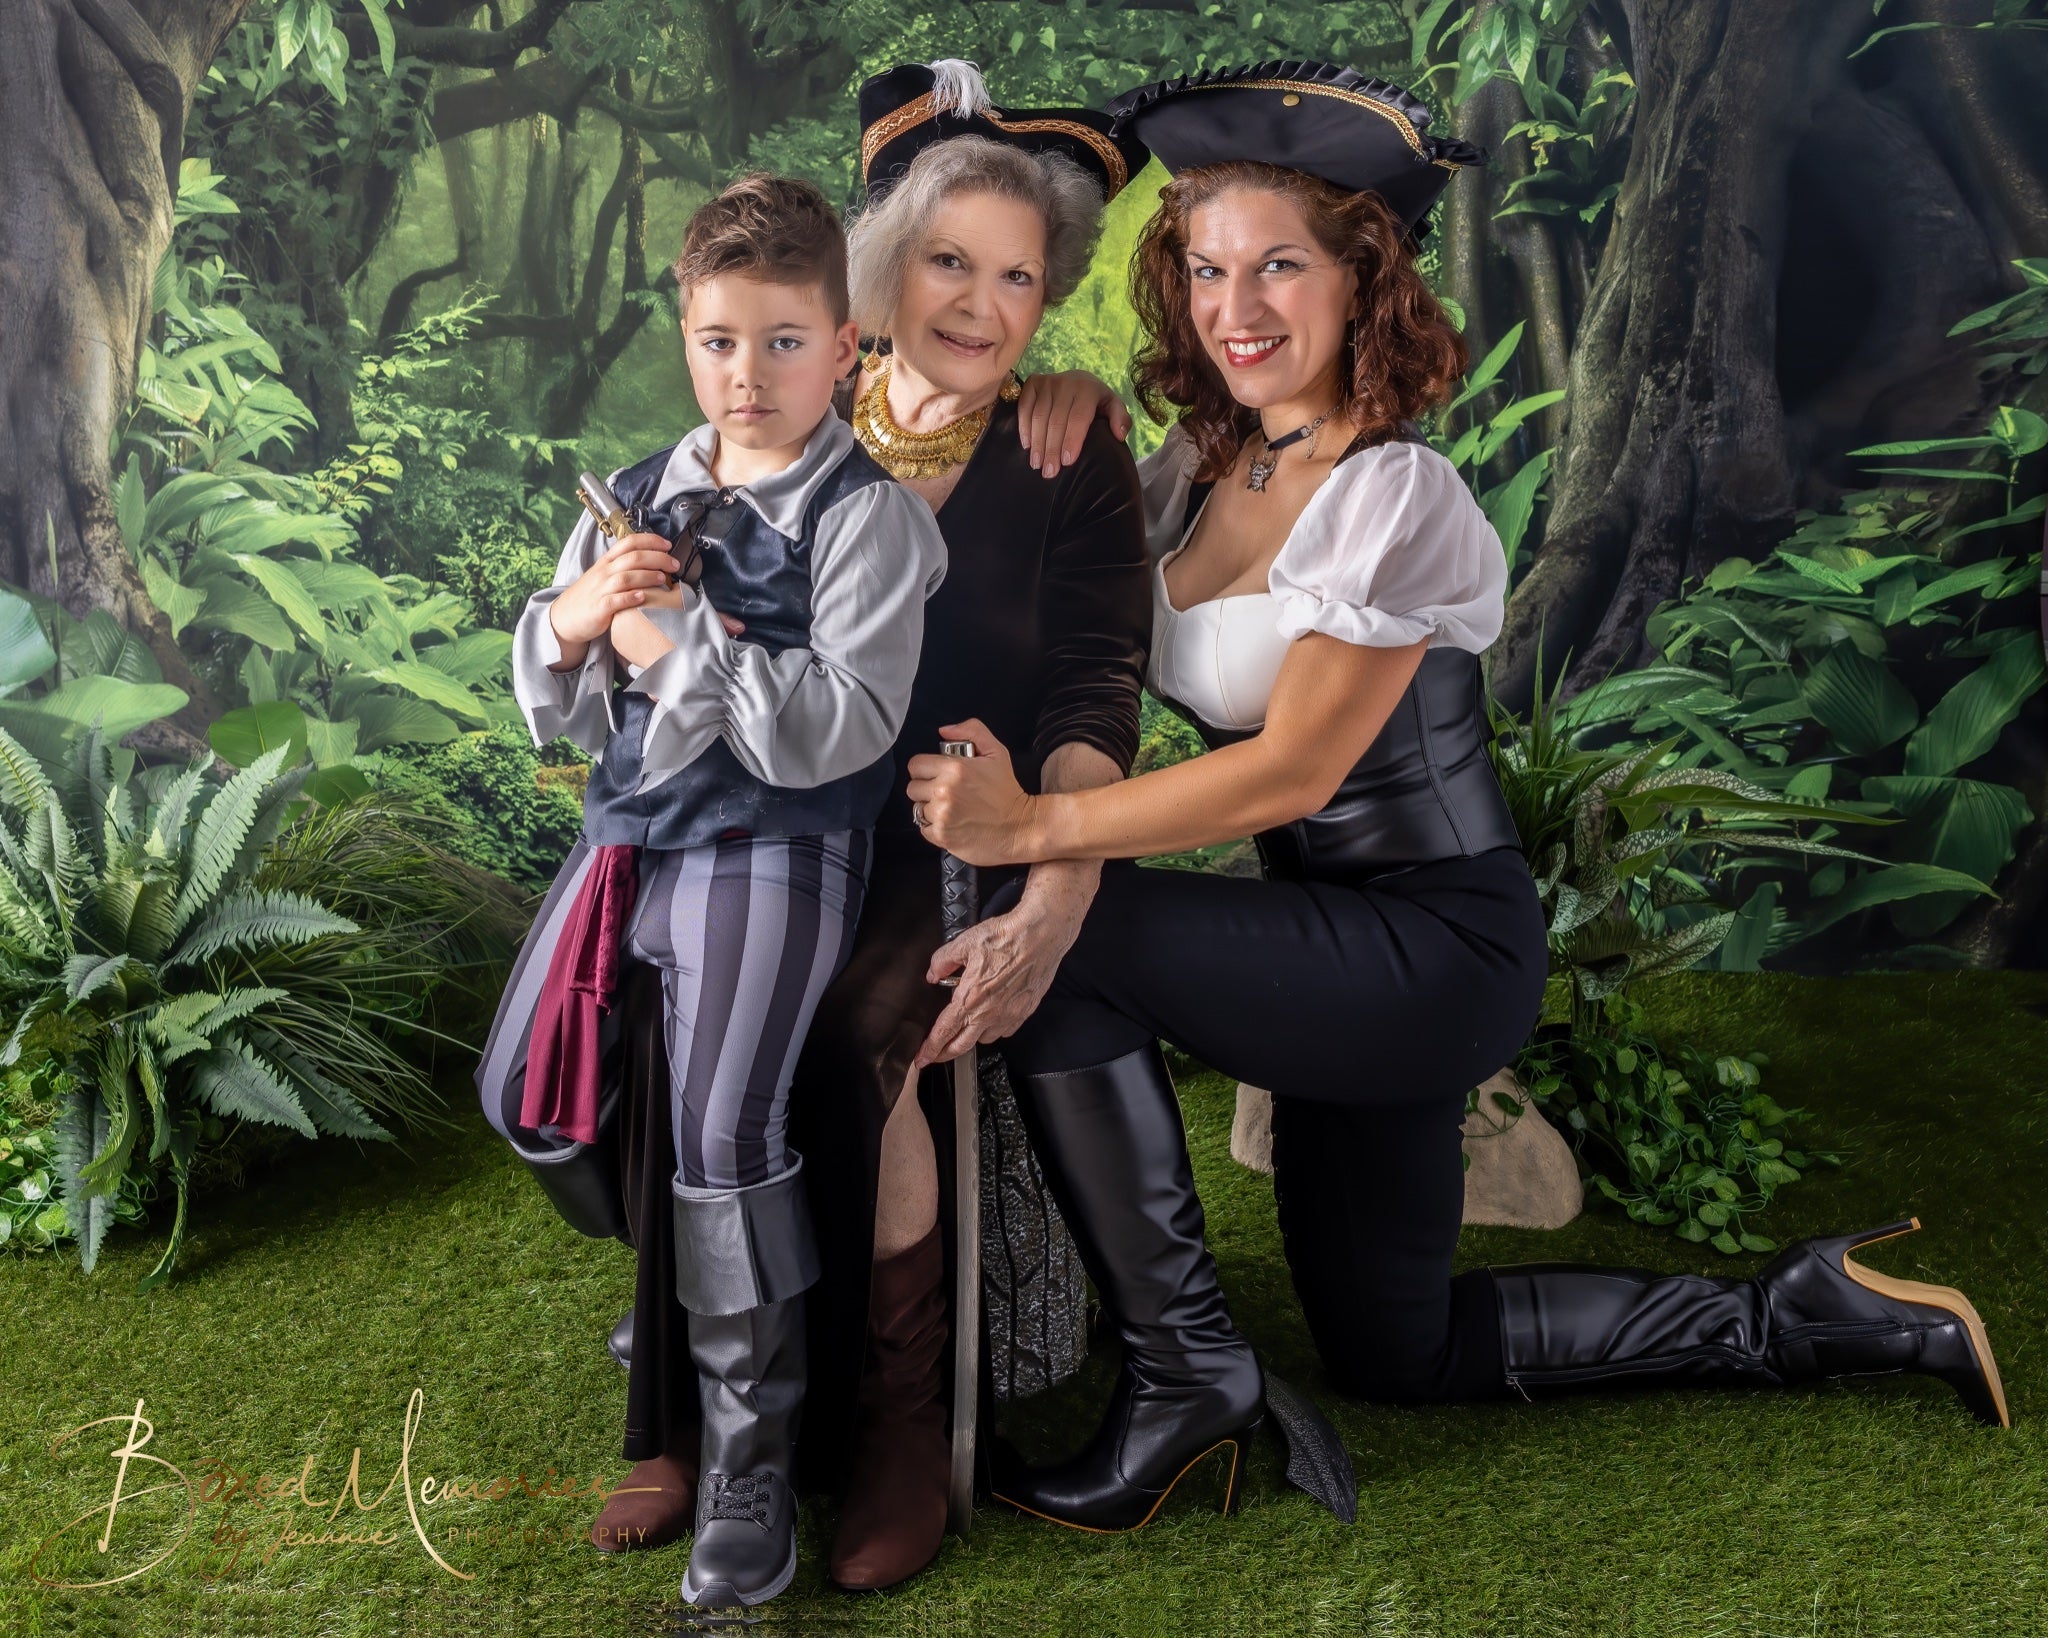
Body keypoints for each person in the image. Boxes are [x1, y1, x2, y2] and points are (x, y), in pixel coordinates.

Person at [907, 60, 2010, 1534]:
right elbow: (1072, 582)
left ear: (1365, 279)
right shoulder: (1199, 461)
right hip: (1325, 954)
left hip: (1433, 954)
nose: (1239, 306)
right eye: (1211, 266)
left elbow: (1295, 766)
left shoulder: (1394, 494)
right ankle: (1803, 1309)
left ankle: (1186, 1377)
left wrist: (1039, 830)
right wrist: (1050, 393)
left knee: (1067, 933)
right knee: (1396, 1350)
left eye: (1282, 265)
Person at [603, 59, 1158, 1593]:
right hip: (755, 800)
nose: (980, 305)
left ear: (1047, 307)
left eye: (1019, 279)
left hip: (940, 824)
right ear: (875, 278)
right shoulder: (795, 396)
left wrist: (1055, 880)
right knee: (663, 995)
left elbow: (1097, 691)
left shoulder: (1066, 449)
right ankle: (684, 1418)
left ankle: (900, 1419)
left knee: (864, 1026)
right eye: (948, 263)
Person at [492, 173, 947, 1608]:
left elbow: (840, 726)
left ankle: (749, 1467)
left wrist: (684, 642)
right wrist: (577, 616)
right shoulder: (638, 491)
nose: (747, 376)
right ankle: (684, 1303)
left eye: (783, 342)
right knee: (531, 1097)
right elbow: (559, 703)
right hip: (630, 835)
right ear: (684, 337)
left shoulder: (869, 521)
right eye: (718, 342)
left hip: (773, 842)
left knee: (723, 1127)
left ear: (847, 345)